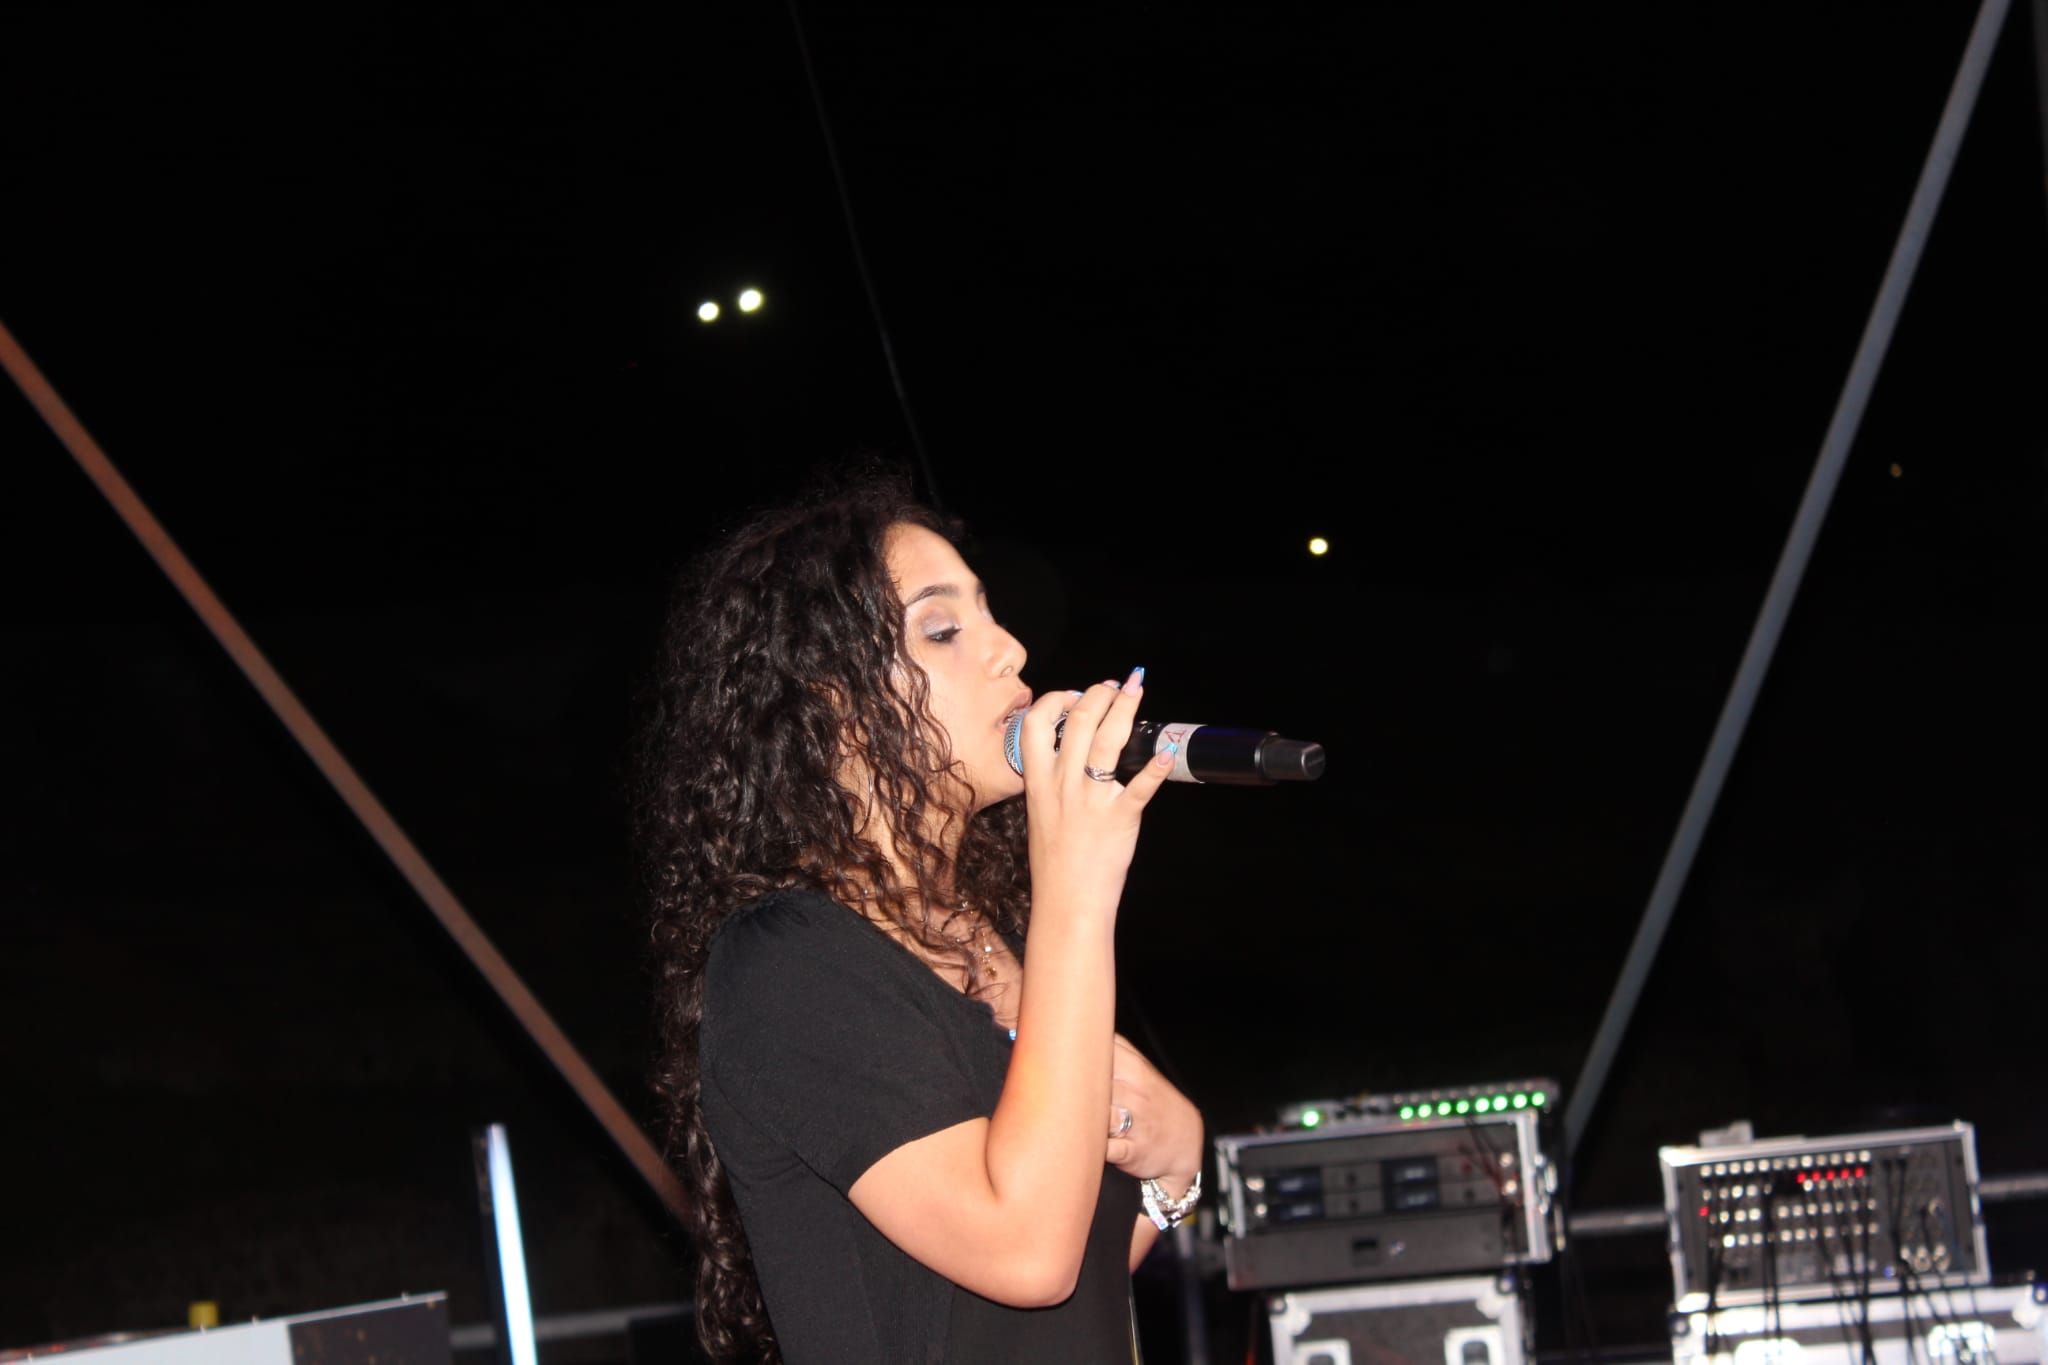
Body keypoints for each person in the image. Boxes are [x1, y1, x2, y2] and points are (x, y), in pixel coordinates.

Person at [635, 467, 1205, 1363]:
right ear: (831, 704)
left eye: (991, 615)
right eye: (943, 629)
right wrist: (1078, 890)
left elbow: (1049, 1294)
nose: (1010, 649)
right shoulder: (789, 965)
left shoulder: (996, 940)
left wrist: (1173, 1170)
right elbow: (1025, 1253)